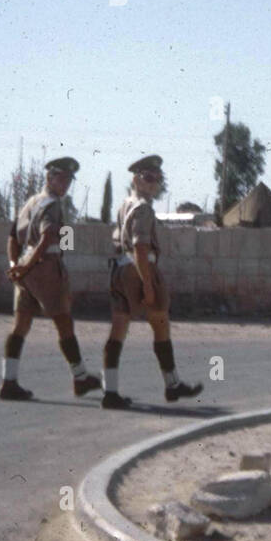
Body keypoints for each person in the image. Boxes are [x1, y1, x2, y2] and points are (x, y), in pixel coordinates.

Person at [101, 155, 202, 409]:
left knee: (118, 330)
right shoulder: (143, 208)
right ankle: (172, 384)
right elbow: (141, 247)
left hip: (119, 270)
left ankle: (109, 391)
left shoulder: (126, 204)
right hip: (139, 270)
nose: (154, 183)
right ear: (136, 180)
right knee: (160, 325)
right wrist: (147, 283)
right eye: (148, 178)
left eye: (157, 179)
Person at [0, 157, 101, 401]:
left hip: (27, 267)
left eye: (69, 180)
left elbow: (13, 237)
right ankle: (80, 378)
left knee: (20, 326)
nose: (65, 184)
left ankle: (8, 381)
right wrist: (27, 267)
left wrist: (16, 266)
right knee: (64, 323)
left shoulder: (31, 203)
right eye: (61, 178)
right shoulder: (53, 205)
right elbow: (47, 239)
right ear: (50, 178)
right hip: (46, 268)